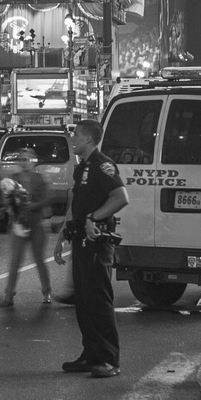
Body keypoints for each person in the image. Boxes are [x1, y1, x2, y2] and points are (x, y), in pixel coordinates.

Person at [60, 120, 128, 377]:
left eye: (76, 134)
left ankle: (110, 359)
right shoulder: (83, 167)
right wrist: (61, 239)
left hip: (97, 243)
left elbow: (121, 197)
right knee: (84, 302)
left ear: (88, 139)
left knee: (99, 301)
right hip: (80, 241)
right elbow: (76, 203)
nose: (72, 137)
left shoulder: (102, 165)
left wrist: (95, 218)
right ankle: (90, 354)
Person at [0, 146, 54, 307]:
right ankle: (9, 295)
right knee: (15, 261)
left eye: (28, 159)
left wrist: (31, 205)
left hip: (36, 224)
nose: (25, 162)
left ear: (33, 161)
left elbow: (47, 199)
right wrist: (10, 203)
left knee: (39, 259)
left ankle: (46, 291)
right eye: (22, 159)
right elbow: (4, 200)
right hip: (18, 225)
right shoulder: (12, 178)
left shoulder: (40, 179)